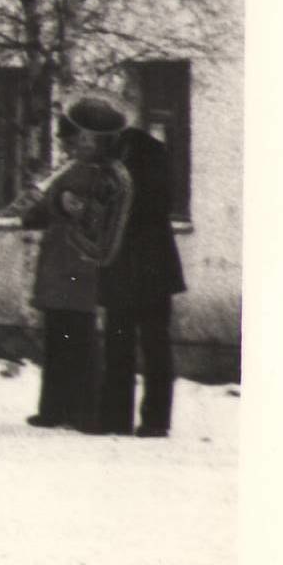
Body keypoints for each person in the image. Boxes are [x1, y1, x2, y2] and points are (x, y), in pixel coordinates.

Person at [19, 98, 127, 430]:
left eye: (81, 140)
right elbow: (37, 218)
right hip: (58, 261)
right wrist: (37, 205)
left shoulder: (112, 175)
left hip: (83, 263)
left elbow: (103, 219)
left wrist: (67, 205)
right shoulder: (68, 169)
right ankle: (53, 407)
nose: (73, 148)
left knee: (80, 338)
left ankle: (83, 409)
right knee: (57, 335)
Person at [90, 108, 187, 438]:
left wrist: (118, 197)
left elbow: (157, 203)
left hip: (151, 263)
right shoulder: (106, 159)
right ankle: (113, 418)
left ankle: (156, 421)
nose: (93, 140)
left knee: (154, 345)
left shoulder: (150, 151)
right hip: (119, 263)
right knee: (117, 344)